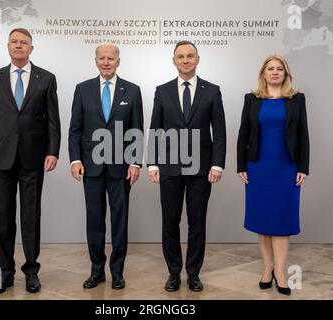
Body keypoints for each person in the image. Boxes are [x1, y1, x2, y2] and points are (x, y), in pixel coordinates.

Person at [0, 28, 61, 295]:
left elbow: (53, 120)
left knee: (30, 217)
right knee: (3, 217)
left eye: (24, 43)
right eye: (14, 42)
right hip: (0, 156)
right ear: (8, 47)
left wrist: (53, 151)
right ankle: (6, 272)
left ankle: (31, 272)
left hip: (34, 157)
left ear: (31, 49)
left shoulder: (46, 78)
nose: (19, 46)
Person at [148, 41, 226, 292]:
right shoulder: (162, 91)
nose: (185, 60)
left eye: (190, 56)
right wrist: (152, 163)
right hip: (169, 167)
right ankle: (173, 272)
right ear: (174, 61)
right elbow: (155, 128)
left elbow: (220, 131)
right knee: (170, 222)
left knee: (197, 221)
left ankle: (193, 273)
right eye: (180, 56)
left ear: (198, 59)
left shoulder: (212, 91)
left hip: (201, 169)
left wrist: (218, 164)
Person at [68, 44, 144, 290]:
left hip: (121, 168)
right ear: (95, 61)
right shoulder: (82, 89)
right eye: (102, 58)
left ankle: (117, 273)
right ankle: (97, 271)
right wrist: (75, 159)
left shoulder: (132, 90)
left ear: (118, 61)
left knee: (120, 222)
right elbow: (75, 129)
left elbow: (136, 130)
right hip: (91, 166)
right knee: (94, 221)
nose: (106, 62)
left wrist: (135, 162)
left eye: (111, 58)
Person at [236, 54, 309, 296]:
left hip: (286, 167)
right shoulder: (252, 99)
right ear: (263, 73)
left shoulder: (297, 99)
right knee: (263, 220)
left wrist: (302, 167)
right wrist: (241, 166)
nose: (275, 72)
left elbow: (303, 135)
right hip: (258, 167)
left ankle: (281, 271)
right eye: (270, 68)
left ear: (285, 74)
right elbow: (243, 134)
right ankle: (267, 269)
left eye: (279, 69)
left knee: (282, 221)